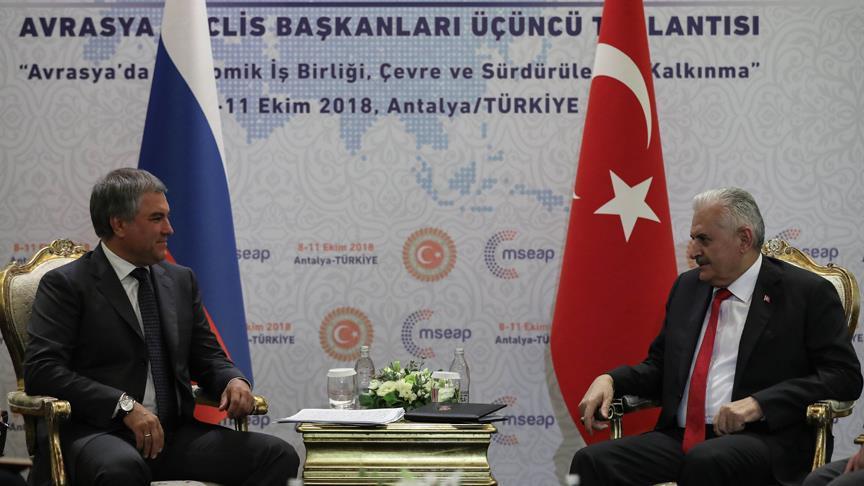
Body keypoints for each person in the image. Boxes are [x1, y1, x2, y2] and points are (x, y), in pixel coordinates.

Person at [24, 168, 299, 486]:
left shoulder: (179, 280)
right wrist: (123, 405)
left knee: (277, 455)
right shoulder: (68, 284)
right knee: (121, 469)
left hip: (172, 435)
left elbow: (207, 356)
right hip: (97, 432)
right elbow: (42, 370)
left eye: (167, 217)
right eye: (157, 218)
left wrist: (232, 380)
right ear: (119, 224)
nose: (169, 229)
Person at [570, 187, 862, 486]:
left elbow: (844, 376)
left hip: (764, 440)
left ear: (743, 239)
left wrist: (760, 403)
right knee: (590, 461)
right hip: (681, 438)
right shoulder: (687, 287)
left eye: (704, 239)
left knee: (707, 460)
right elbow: (660, 367)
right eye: (693, 238)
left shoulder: (805, 292)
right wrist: (611, 380)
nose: (693, 251)